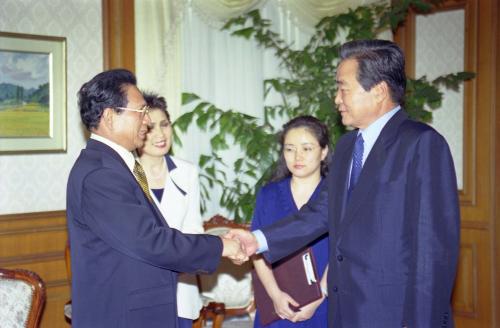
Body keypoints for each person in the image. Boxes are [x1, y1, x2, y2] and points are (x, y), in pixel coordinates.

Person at [227, 39, 460, 328]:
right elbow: (320, 212)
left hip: (393, 316)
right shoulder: (349, 146)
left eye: (343, 88)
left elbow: (432, 254)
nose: (336, 99)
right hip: (344, 313)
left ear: (378, 91)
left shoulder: (421, 144)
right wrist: (258, 240)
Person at [66, 69, 246, 327]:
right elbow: (150, 241)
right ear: (109, 116)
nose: (148, 122)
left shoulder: (113, 165)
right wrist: (221, 245)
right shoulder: (101, 174)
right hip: (122, 316)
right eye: (141, 112)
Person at [252, 116, 330, 327]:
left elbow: (345, 250)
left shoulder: (337, 194)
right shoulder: (268, 194)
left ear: (323, 152)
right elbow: (257, 250)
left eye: (307, 148)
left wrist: (319, 296)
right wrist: (275, 295)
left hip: (325, 300)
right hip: (278, 304)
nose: (298, 156)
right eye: (290, 149)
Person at [137, 93, 203, 328]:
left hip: (181, 286)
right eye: (150, 128)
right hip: (140, 291)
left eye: (164, 125)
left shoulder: (187, 172)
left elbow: (194, 229)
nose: (160, 135)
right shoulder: (125, 176)